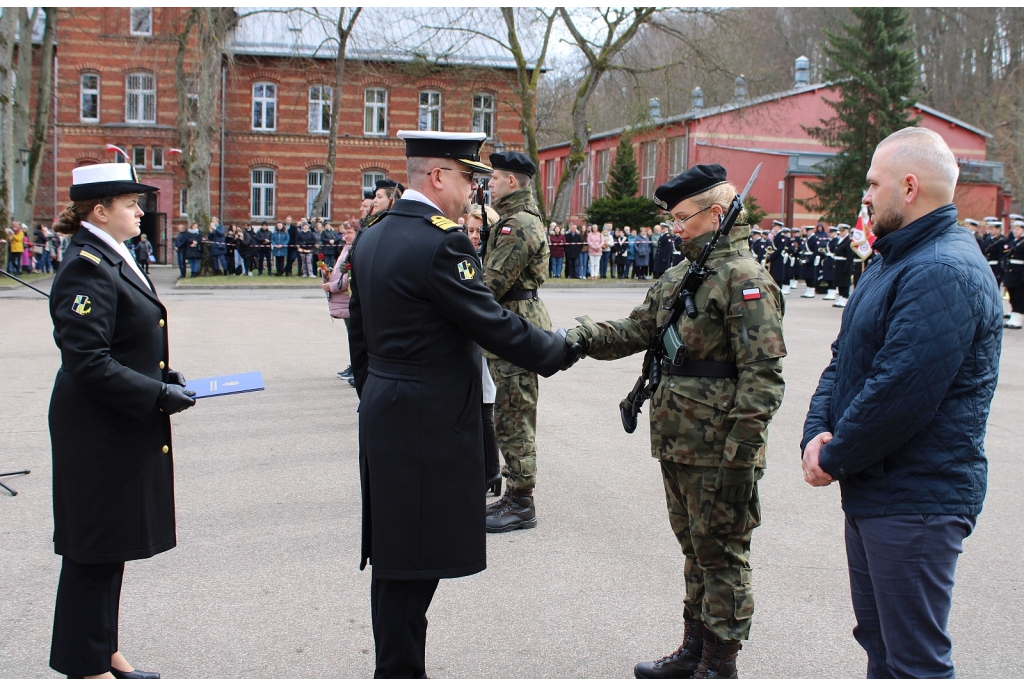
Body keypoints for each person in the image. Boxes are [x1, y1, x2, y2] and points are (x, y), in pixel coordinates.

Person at [347, 130, 580, 678]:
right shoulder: (440, 241)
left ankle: (399, 667)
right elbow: (490, 322)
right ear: (438, 177)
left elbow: (359, 329)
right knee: (412, 561)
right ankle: (399, 672)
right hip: (426, 417)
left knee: (397, 552)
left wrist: (375, 389)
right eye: (469, 178)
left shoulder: (375, 234)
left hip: (388, 405)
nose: (474, 190)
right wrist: (561, 348)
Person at [565, 163, 786, 679]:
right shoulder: (684, 274)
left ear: (717, 213)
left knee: (723, 557)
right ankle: (694, 650)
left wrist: (741, 457)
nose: (675, 228)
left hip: (720, 449)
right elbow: (637, 330)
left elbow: (763, 379)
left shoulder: (744, 280)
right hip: (678, 441)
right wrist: (578, 339)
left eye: (683, 218)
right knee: (695, 551)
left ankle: (720, 662)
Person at [801, 127, 1003, 679]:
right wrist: (815, 434)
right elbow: (844, 360)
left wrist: (835, 454)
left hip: (917, 499)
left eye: (872, 183)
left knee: (914, 662)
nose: (864, 195)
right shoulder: (892, 261)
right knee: (882, 648)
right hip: (878, 488)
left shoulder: (941, 269)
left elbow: (900, 393)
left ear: (909, 187)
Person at [47, 163, 196, 679]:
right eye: (131, 203)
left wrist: (162, 373)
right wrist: (155, 393)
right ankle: (84, 664)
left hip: (113, 419)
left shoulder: (111, 254)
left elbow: (122, 338)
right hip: (97, 427)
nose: (140, 209)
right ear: (100, 210)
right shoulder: (87, 264)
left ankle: (100, 650)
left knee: (107, 547)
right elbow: (86, 360)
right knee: (94, 549)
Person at [482, 149, 554, 532]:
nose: (489, 183)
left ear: (512, 181)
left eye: (494, 178)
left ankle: (522, 501)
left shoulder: (518, 224)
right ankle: (514, 493)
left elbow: (493, 283)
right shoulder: (510, 220)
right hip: (512, 325)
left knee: (514, 416)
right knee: (508, 414)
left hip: (516, 327)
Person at [464, 203, 504, 493]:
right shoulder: (467, 255)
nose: (475, 235)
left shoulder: (493, 259)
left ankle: (492, 471)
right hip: (473, 336)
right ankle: (487, 470)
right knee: (479, 407)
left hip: (489, 339)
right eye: (470, 230)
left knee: (486, 405)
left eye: (480, 230)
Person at [1002, 218, 1024, 329]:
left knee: (1019, 297)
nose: (1015, 231)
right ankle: (1013, 317)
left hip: (1019, 274)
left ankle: (1018, 319)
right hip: (1011, 273)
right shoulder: (1013, 242)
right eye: (1014, 229)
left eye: (1018, 229)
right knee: (1013, 297)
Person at [831, 223, 854, 308]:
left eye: (843, 231)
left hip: (844, 264)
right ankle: (840, 298)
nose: (841, 232)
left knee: (844, 283)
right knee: (839, 282)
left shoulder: (849, 241)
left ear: (847, 231)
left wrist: (847, 268)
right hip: (838, 264)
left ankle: (845, 298)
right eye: (840, 231)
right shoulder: (839, 239)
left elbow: (849, 256)